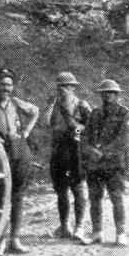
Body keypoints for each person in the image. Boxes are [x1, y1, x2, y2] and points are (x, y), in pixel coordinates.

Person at [0, 67, 39, 255]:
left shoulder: (16, 103)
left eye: (9, 85)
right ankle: (0, 241)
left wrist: (26, 131)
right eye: (2, 85)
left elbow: (35, 111)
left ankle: (15, 240)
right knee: (2, 197)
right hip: (1, 154)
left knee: (18, 196)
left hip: (20, 152)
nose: (6, 88)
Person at [81, 79, 129, 246]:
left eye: (111, 92)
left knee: (116, 198)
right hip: (95, 164)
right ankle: (97, 233)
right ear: (101, 95)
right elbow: (85, 135)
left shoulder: (124, 113)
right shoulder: (95, 113)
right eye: (104, 93)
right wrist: (89, 150)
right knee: (94, 198)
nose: (108, 95)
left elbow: (123, 140)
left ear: (117, 95)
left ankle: (121, 234)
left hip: (114, 163)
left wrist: (102, 152)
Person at [42, 72, 92, 241]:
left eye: (66, 86)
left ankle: (79, 226)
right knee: (61, 191)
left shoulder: (81, 105)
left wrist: (75, 129)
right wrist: (50, 106)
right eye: (59, 86)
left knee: (78, 189)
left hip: (76, 151)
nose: (62, 89)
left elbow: (90, 128)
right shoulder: (54, 105)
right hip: (58, 150)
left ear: (73, 88)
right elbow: (45, 124)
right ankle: (65, 226)